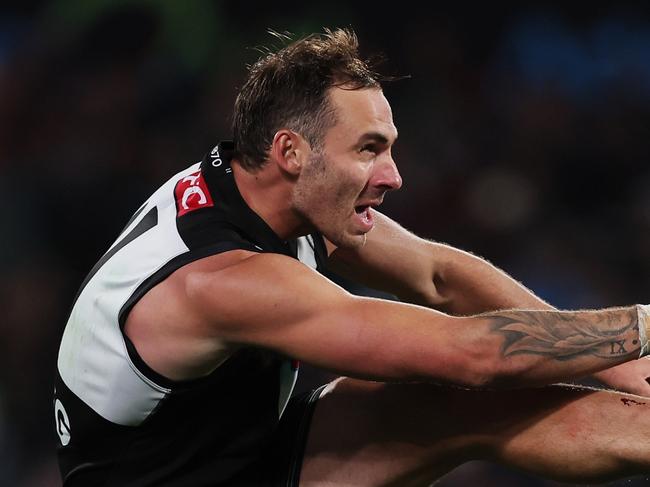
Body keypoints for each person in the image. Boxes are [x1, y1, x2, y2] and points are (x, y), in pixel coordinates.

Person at [53, 28, 650, 486]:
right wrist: (645, 325)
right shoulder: (221, 281)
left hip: (223, 444)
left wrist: (628, 369)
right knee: (463, 389)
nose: (392, 176)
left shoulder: (264, 190)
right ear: (291, 149)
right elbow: (472, 355)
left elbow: (439, 276)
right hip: (203, 473)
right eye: (369, 150)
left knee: (452, 404)